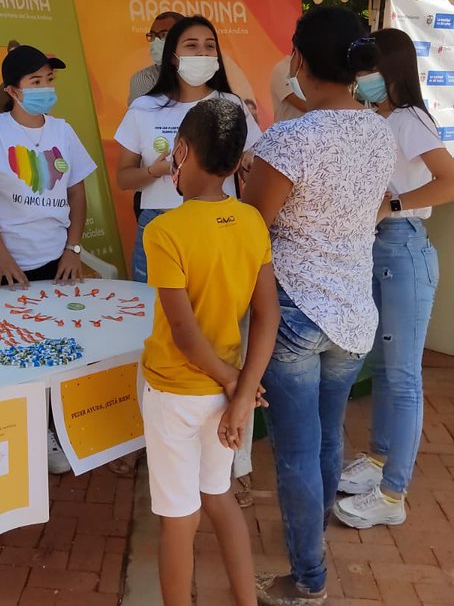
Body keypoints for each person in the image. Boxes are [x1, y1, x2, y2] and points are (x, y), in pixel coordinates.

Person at [242, 6, 395, 604]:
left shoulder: (291, 138)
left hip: (295, 312)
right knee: (328, 439)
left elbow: (253, 227)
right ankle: (314, 546)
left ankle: (308, 579)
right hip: (354, 311)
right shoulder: (378, 130)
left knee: (297, 453)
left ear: (300, 62)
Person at [141, 97, 279, 606]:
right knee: (218, 499)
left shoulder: (164, 231)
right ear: (238, 158)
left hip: (177, 391)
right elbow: (268, 316)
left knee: (178, 520)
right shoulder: (251, 223)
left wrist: (230, 382)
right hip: (225, 397)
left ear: (181, 150)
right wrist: (240, 393)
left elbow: (183, 333)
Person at [333, 28, 454, 529]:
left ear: (390, 69)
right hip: (379, 250)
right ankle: (380, 458)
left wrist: (391, 205)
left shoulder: (409, 120)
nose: (362, 77)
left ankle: (393, 495)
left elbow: (453, 184)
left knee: (405, 376)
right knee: (386, 368)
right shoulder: (375, 119)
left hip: (403, 247)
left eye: (369, 67)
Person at [0, 43, 96, 475]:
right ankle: (1, 434)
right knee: (2, 351)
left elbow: (77, 192)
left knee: (51, 350)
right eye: (35, 82)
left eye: (49, 81)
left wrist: (73, 249)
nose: (44, 89)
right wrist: (0, 257)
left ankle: (50, 431)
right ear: (12, 91)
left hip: (51, 262)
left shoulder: (63, 132)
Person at [114, 15, 262, 282]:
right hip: (159, 222)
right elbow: (123, 178)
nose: (202, 52)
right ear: (172, 56)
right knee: (152, 310)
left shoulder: (232, 104)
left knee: (214, 313)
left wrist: (247, 165)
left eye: (209, 46)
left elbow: (255, 165)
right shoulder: (144, 108)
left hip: (218, 223)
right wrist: (154, 171)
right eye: (191, 46)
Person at [129, 11, 180, 104]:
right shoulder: (145, 78)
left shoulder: (202, 73)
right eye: (152, 35)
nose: (155, 41)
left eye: (164, 35)